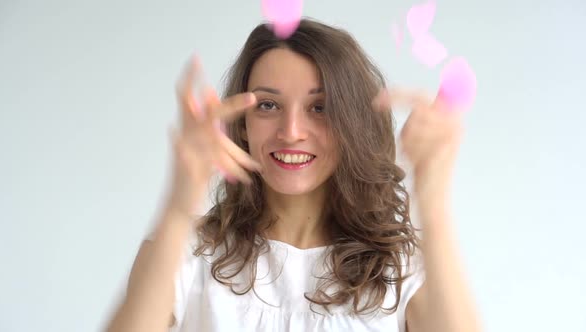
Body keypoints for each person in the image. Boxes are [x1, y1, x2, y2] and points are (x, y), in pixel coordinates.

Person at [105, 18, 482, 332]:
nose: (291, 130)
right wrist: (178, 203)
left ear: (352, 122)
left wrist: (432, 200)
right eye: (268, 105)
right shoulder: (185, 254)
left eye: (320, 107)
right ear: (242, 125)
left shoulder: (400, 269)